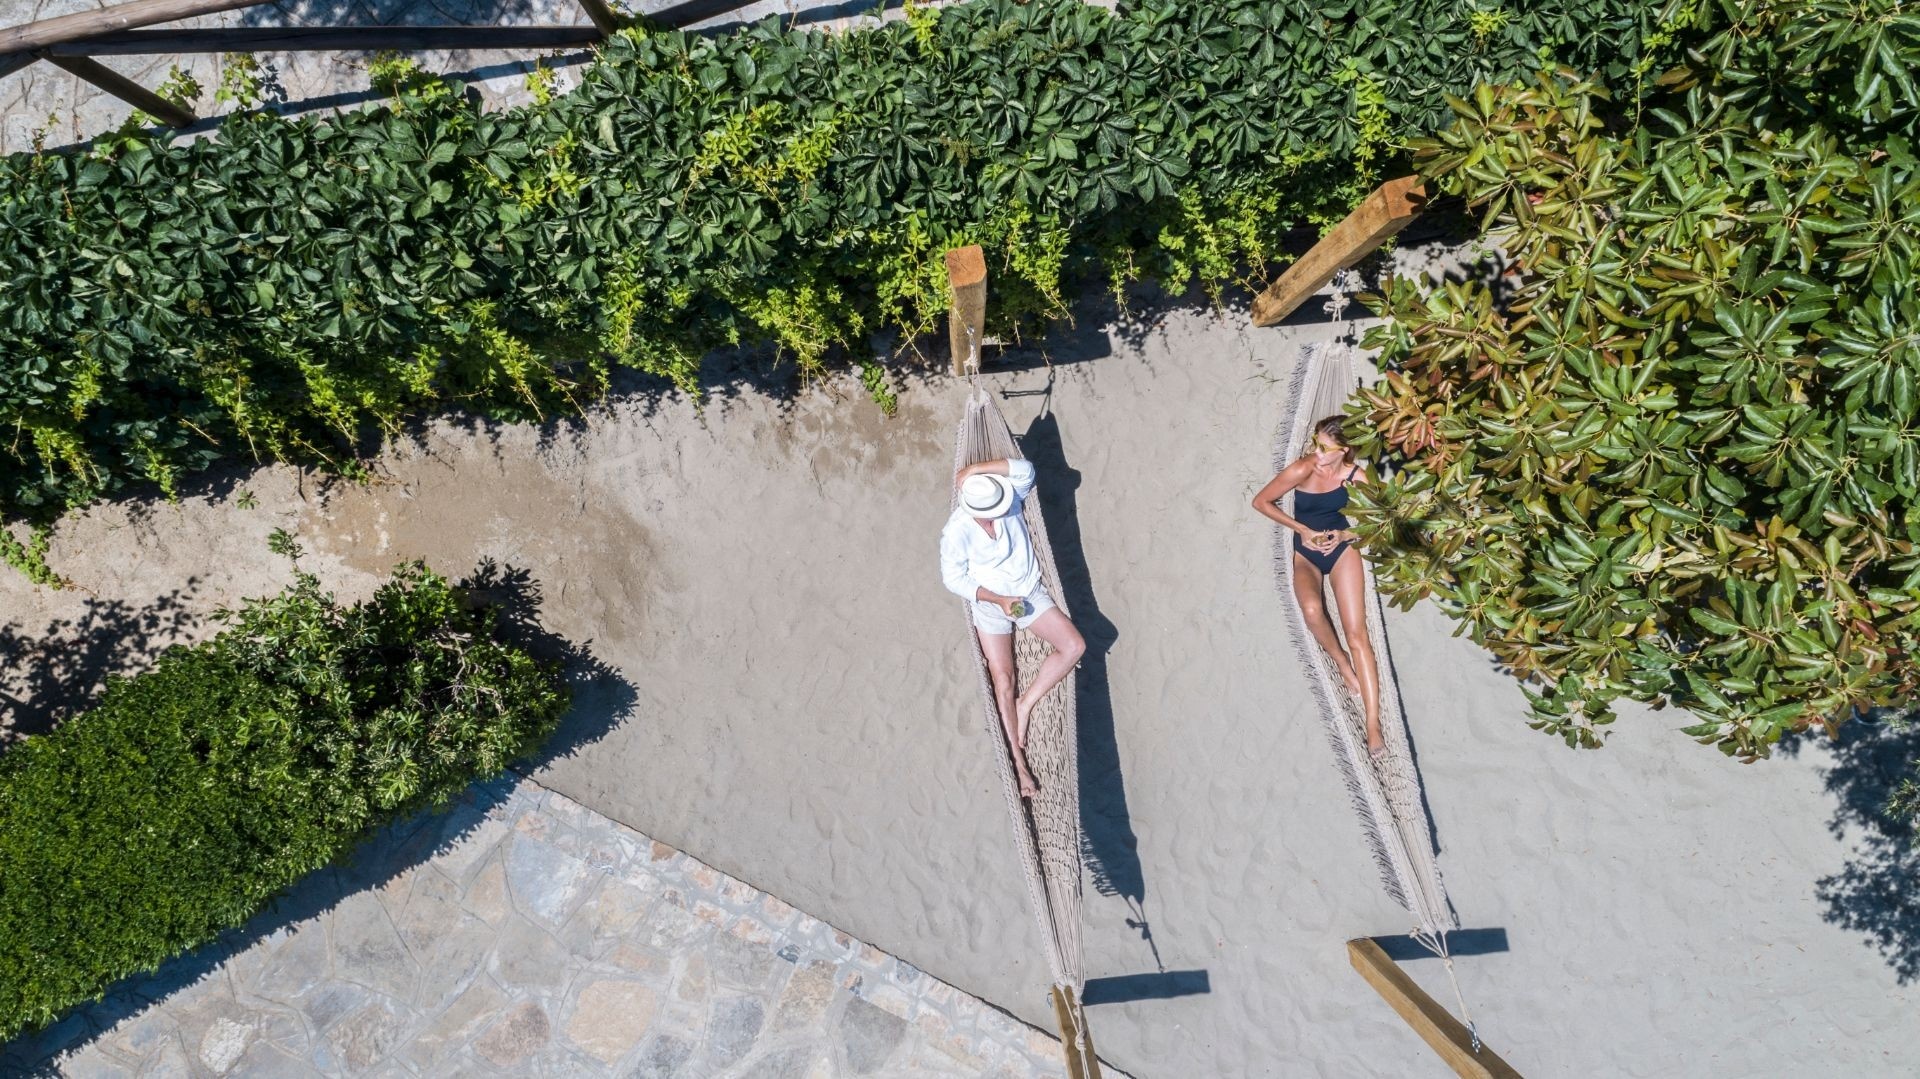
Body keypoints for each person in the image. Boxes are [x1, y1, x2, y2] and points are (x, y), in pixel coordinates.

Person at [941, 457, 1087, 797]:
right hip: (991, 606)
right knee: (1003, 680)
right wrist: (997, 599)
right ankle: (1019, 765)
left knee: (1074, 646)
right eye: (989, 513)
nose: (997, 514)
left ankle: (1026, 704)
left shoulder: (1007, 496)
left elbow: (1026, 470)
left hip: (1028, 593)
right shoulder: (957, 531)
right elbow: (953, 579)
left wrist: (974, 471)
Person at [1252, 416, 1386, 759]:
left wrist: (1345, 535)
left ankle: (1373, 723)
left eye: (1325, 448)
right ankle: (1341, 662)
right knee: (1312, 610)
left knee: (1357, 635)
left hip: (1341, 550)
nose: (1317, 452)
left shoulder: (1355, 476)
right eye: (1316, 443)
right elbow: (1261, 502)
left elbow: (1382, 517)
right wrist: (1302, 530)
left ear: (1344, 450)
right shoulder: (1303, 468)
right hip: (1307, 554)